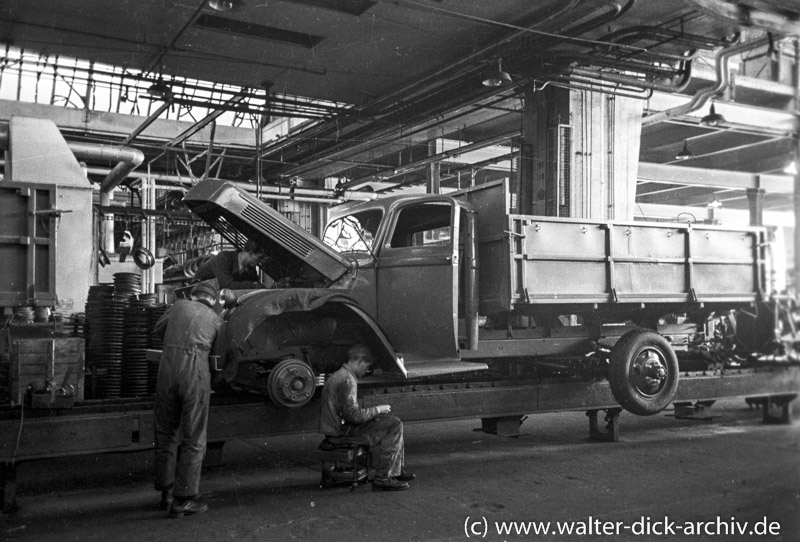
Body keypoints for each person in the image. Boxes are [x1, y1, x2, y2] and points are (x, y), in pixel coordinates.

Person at [153, 281, 224, 518]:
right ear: (212, 300)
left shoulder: (177, 306)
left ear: (193, 296)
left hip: (167, 368)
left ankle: (166, 493)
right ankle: (184, 500)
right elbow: (220, 354)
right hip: (194, 369)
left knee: (166, 432)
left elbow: (157, 330)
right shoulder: (216, 318)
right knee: (194, 436)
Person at [318, 345, 415, 491]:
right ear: (360, 361)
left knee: (389, 422)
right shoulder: (347, 380)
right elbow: (354, 416)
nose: (366, 372)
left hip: (338, 429)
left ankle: (395, 471)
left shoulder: (340, 374)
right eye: (367, 367)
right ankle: (383, 478)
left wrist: (374, 414)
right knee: (394, 425)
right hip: (342, 433)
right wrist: (377, 410)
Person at [194, 240, 266, 290]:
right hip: (200, 294)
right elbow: (226, 285)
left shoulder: (250, 268)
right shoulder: (224, 258)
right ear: (250, 253)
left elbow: (257, 286)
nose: (260, 261)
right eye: (259, 258)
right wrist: (252, 286)